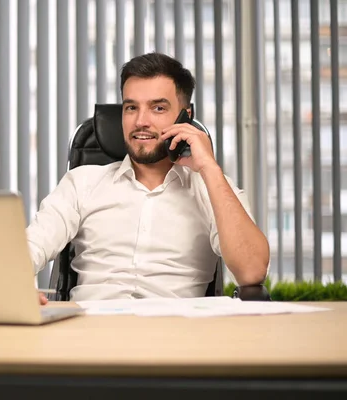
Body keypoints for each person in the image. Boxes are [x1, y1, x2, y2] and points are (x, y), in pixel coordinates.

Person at [28, 52, 270, 304]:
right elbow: (29, 247)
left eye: (158, 108)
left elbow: (252, 272)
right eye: (131, 107)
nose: (141, 121)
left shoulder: (213, 188)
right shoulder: (81, 183)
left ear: (185, 116)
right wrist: (13, 288)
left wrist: (209, 168)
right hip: (92, 331)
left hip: (178, 333)